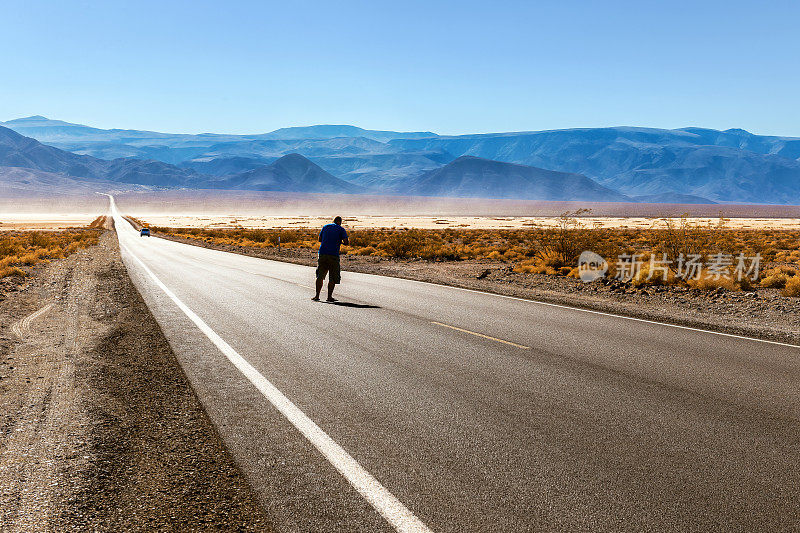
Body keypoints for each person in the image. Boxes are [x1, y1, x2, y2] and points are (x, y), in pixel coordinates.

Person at [313, 216, 349, 302]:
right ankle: (329, 297)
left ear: (333, 221)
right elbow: (346, 242)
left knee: (320, 275)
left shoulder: (325, 227)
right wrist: (340, 242)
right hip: (333, 255)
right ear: (340, 222)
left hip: (322, 253)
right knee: (332, 276)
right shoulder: (341, 229)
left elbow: (320, 239)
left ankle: (317, 296)